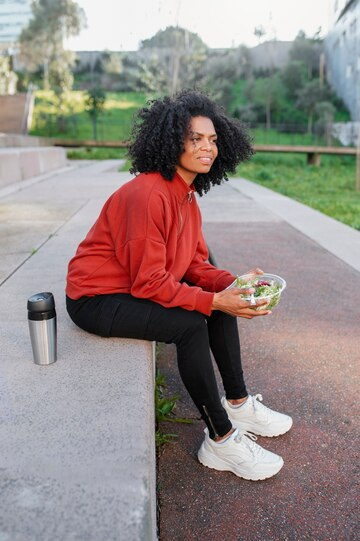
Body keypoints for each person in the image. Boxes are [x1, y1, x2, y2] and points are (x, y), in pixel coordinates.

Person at [66, 89, 292, 482]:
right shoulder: (147, 195)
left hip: (134, 287)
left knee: (222, 296)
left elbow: (194, 265)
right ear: (172, 141)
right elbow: (149, 282)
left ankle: (237, 401)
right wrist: (214, 299)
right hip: (95, 298)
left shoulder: (185, 195)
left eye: (213, 140)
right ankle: (221, 440)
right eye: (196, 139)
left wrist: (235, 286)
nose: (208, 148)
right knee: (191, 324)